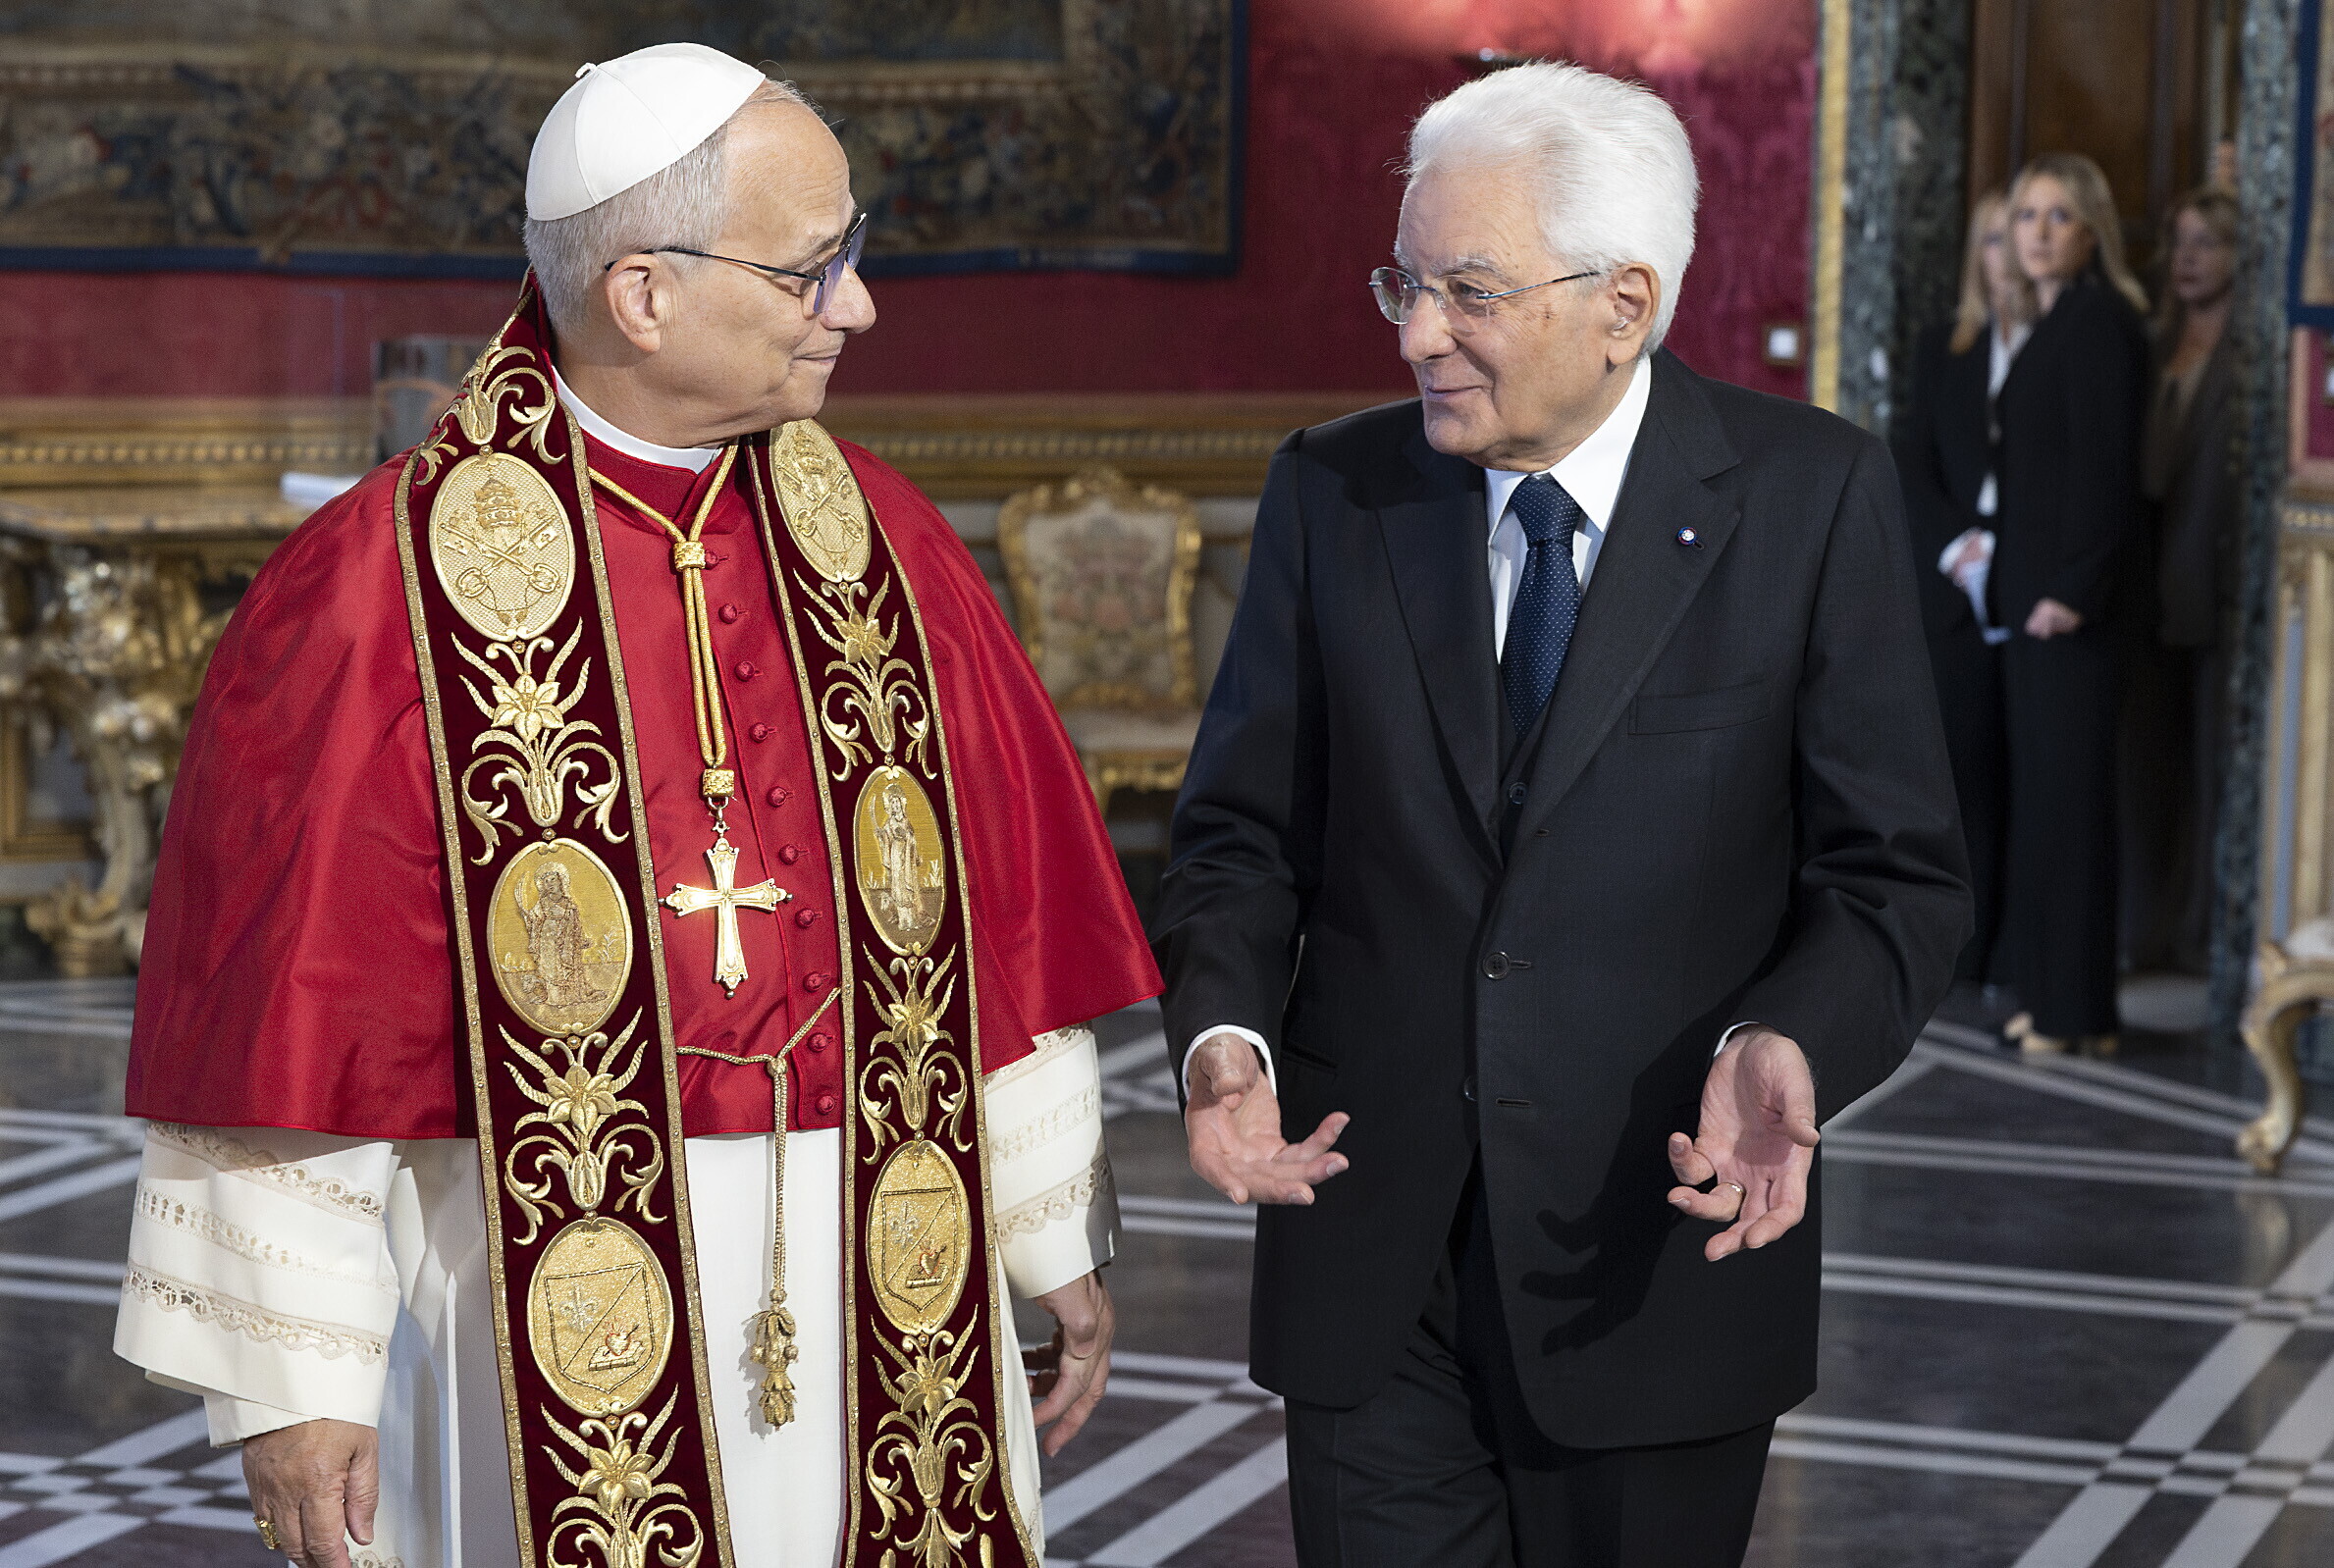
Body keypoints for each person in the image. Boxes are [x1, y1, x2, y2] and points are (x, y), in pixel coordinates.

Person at [112, 43, 1159, 1568]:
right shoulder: (374, 589)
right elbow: (296, 1014)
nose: (856, 305)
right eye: (815, 270)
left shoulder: (885, 542)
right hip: (533, 1288)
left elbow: (991, 919)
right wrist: (295, 1380)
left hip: (891, 1249)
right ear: (642, 293)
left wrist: (1049, 1236)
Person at [1151, 62, 1969, 1568]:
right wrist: (1220, 1037)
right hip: (1365, 1252)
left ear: (1624, 302)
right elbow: (1240, 836)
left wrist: (1783, 1041)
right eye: (1405, 280)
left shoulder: (1809, 497)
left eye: (1468, 289)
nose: (1415, 333)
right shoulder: (1334, 490)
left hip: (1652, 1256)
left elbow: (1890, 877)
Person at [1990, 153, 2151, 1054]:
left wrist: (2072, 589)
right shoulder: (2055, 322)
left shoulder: (2100, 323)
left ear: (2091, 230)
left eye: (2059, 216)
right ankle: (2058, 1001)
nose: (2040, 232)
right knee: (2048, 805)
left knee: (2071, 806)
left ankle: (2074, 1010)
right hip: (2033, 602)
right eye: (2027, 216)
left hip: (2067, 610)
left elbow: (2104, 472)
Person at [1895, 189, 2034, 996]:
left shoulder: (2061, 350)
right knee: (1966, 771)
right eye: (1989, 239)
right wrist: (1956, 546)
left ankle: (2023, 950)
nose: (2005, 254)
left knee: (2037, 779)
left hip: (2033, 582)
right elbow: (1912, 459)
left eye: (2013, 236)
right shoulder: (1946, 346)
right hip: (1955, 585)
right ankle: (1966, 950)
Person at [2122, 186, 2241, 975]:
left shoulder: (2253, 355)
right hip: (2140, 585)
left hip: (2220, 587)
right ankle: (2145, 928)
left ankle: (2205, 933)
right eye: (2182, 240)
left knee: (2213, 772)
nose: (2190, 257)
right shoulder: (2147, 339)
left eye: (2209, 242)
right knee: (2142, 768)